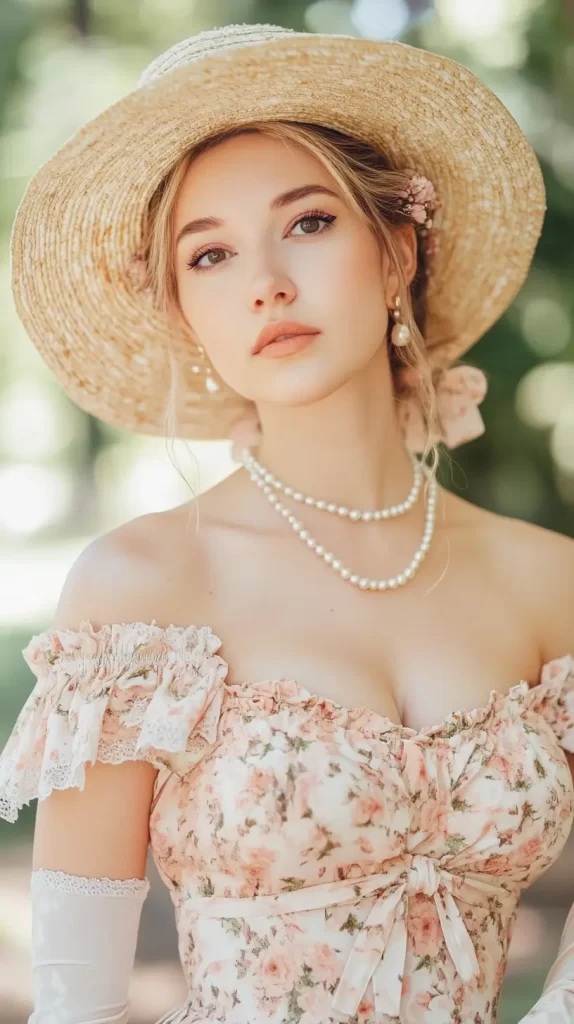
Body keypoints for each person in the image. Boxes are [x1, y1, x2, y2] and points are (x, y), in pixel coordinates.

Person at [0, 21, 573, 1024]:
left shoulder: (546, 580)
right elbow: (72, 998)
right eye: (210, 254)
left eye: (308, 223)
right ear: (184, 312)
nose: (264, 280)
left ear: (398, 249)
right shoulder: (139, 595)